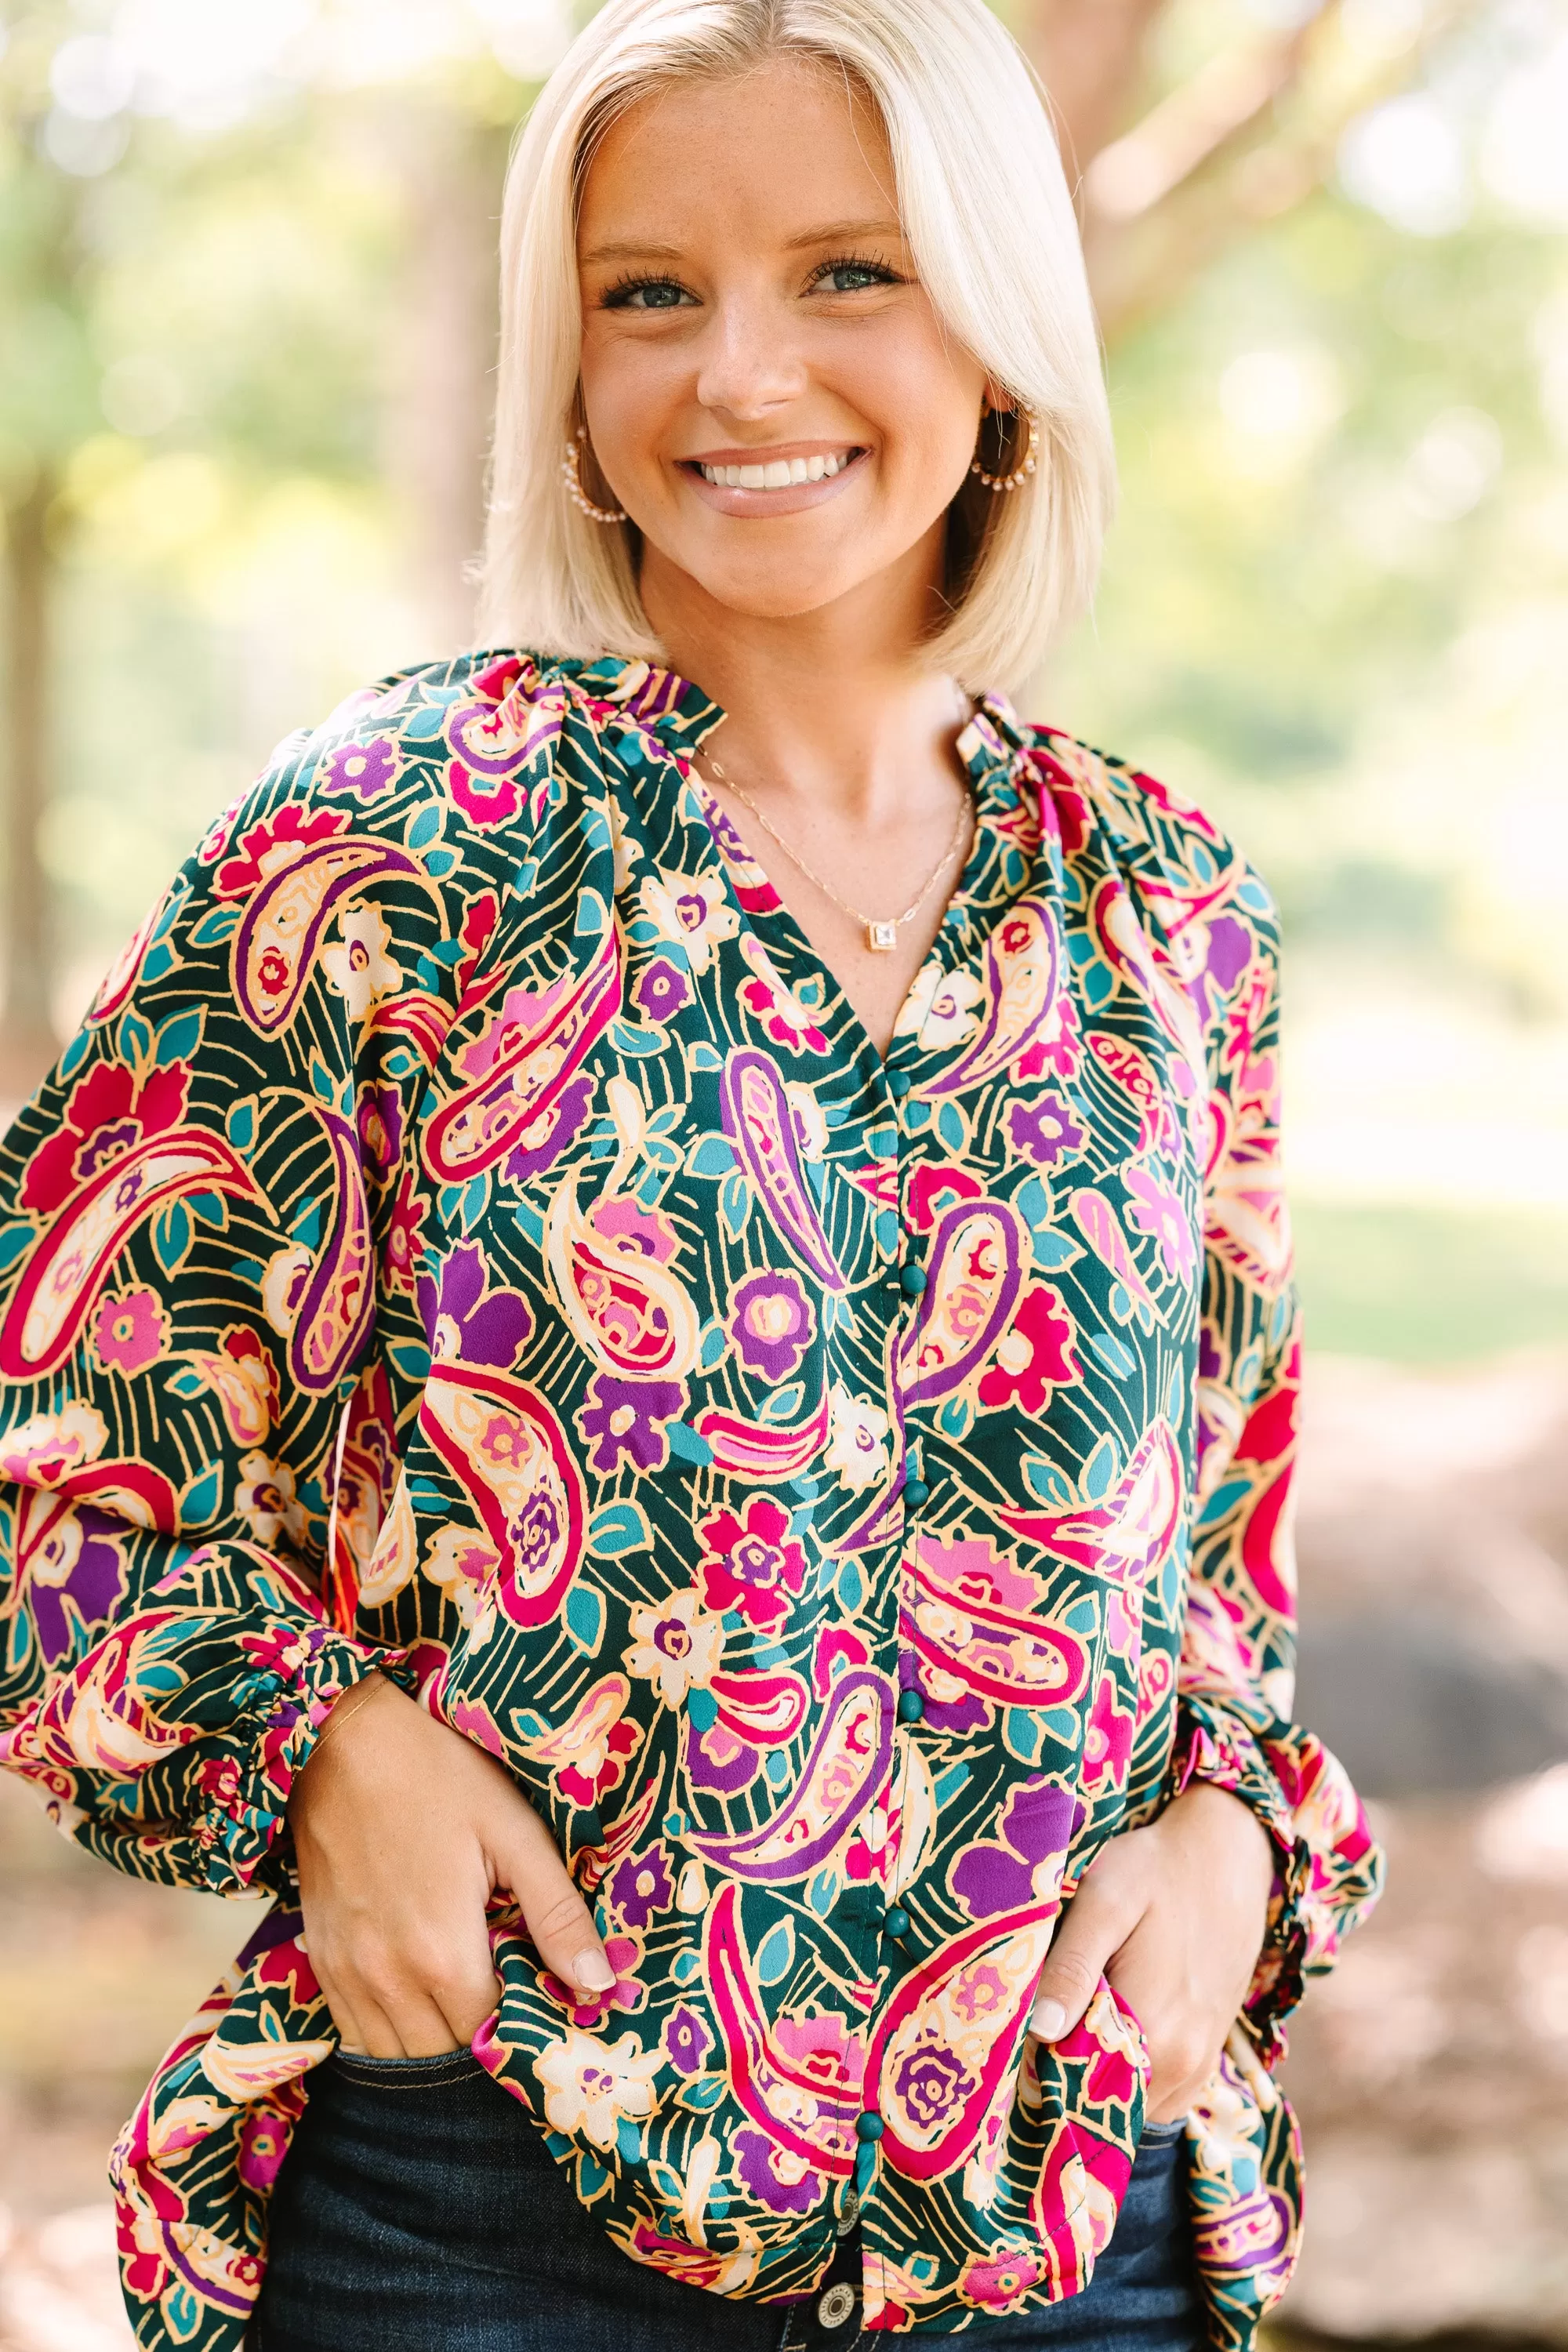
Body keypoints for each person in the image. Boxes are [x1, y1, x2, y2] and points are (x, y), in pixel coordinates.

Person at [0, 0, 1384, 2346]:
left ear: (1006, 330)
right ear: (567, 363)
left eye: (849, 272)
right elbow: (62, 1427)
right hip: (490, 2201)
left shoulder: (1168, 910)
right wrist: (322, 1747)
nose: (741, 377)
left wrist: (1237, 1833)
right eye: (651, 291)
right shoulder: (402, 849)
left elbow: (1216, 1547)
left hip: (1075, 2217)